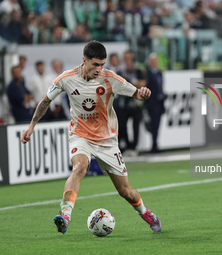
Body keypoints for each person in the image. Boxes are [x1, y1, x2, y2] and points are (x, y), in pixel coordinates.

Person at [20, 40, 161, 233]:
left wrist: (144, 93)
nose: (99, 69)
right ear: (84, 60)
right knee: (79, 168)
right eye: (95, 64)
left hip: (107, 140)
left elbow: (137, 94)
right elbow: (45, 101)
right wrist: (31, 126)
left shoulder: (110, 78)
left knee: (125, 192)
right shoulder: (66, 78)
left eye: (102, 64)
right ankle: (65, 215)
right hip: (80, 135)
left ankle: (146, 213)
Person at [116, 50, 146, 156]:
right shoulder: (120, 71)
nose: (127, 60)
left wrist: (128, 85)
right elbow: (118, 86)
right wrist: (133, 85)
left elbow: (142, 84)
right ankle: (127, 145)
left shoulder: (138, 71)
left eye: (129, 58)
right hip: (123, 104)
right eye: (125, 58)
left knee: (135, 126)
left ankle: (134, 147)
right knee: (122, 126)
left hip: (135, 104)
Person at [146, 53, 165, 153]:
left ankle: (156, 143)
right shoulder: (147, 73)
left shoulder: (159, 73)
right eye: (153, 61)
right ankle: (153, 144)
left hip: (159, 101)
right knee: (153, 124)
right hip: (152, 102)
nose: (155, 63)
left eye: (156, 61)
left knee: (157, 124)